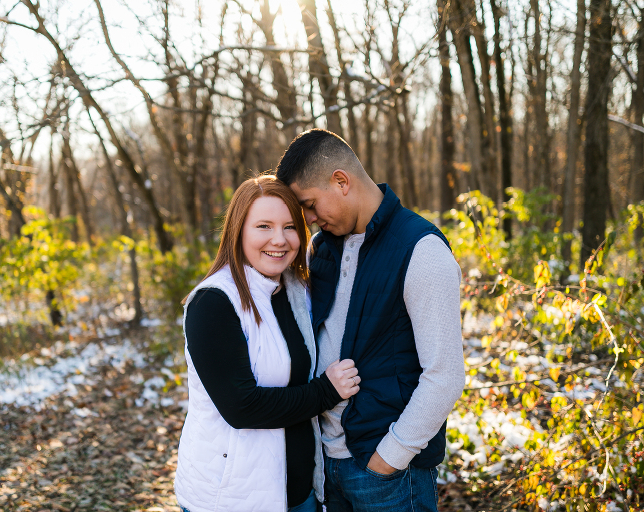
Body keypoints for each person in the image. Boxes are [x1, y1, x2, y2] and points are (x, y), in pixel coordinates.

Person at [275, 129, 465, 512]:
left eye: (310, 205)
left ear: (341, 181)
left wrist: (389, 459)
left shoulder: (421, 250)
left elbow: (445, 376)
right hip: (326, 464)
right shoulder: (320, 248)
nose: (309, 220)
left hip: (388, 473)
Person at [175, 175, 361, 512]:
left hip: (300, 492)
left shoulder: (296, 291)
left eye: (290, 226)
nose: (279, 239)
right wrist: (326, 391)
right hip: (233, 499)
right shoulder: (213, 303)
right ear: (238, 231)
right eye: (263, 226)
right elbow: (241, 407)